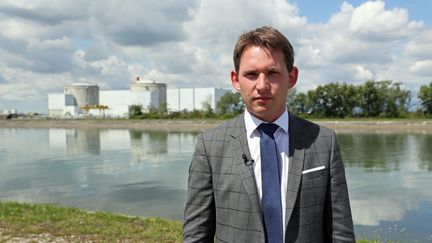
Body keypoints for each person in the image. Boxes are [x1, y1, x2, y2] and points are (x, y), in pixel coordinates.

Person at [183, 26, 355, 243]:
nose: (262, 85)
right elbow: (196, 235)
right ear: (236, 80)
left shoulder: (323, 141)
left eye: (272, 73)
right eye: (251, 74)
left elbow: (341, 233)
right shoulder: (210, 146)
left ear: (291, 77)